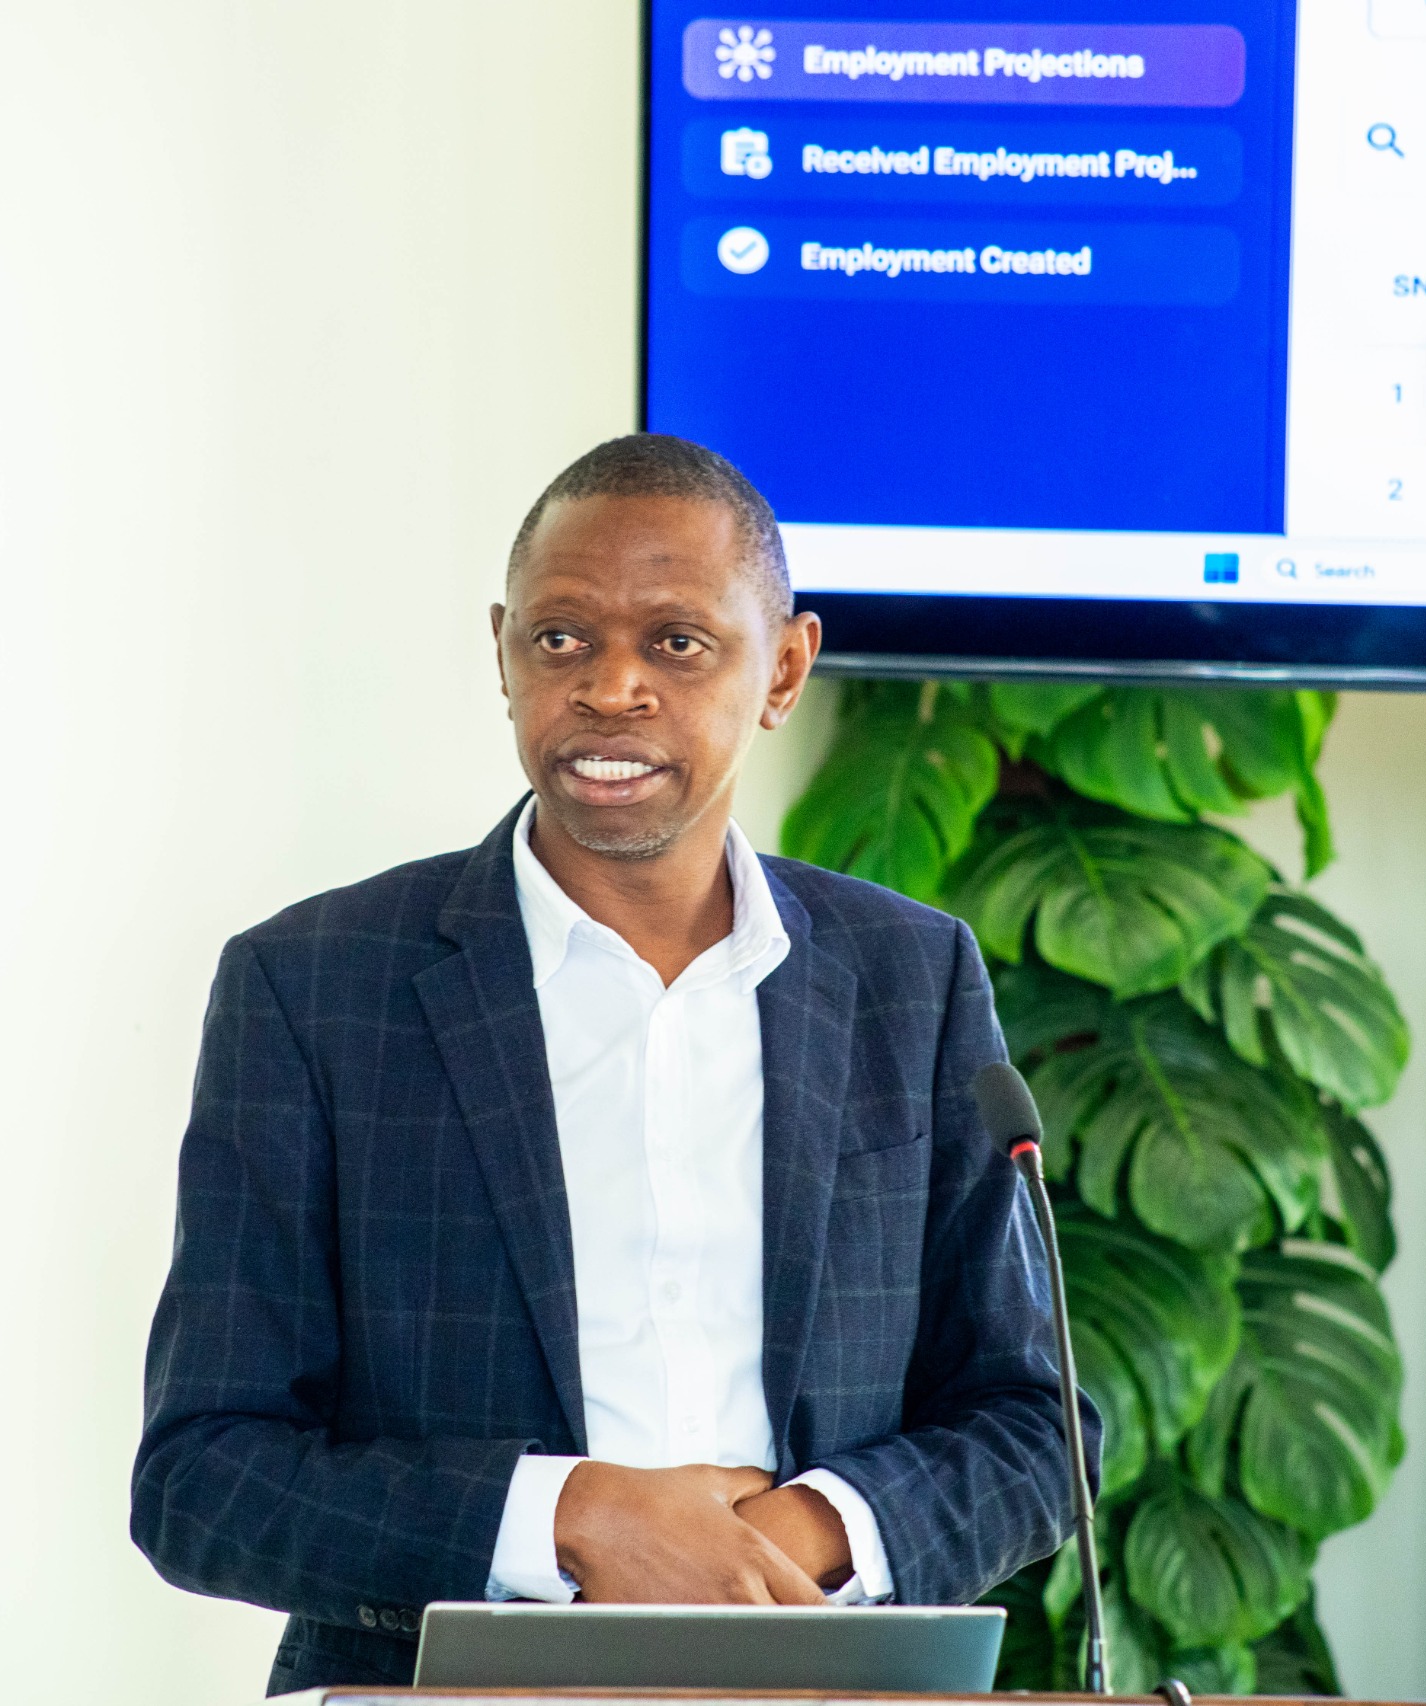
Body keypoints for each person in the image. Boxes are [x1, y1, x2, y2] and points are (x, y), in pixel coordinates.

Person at [130, 433, 1084, 1694]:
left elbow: (1035, 1425)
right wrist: (573, 1518)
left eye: (677, 642)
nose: (610, 686)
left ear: (783, 667)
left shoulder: (911, 976)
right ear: (504, 653)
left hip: (820, 1684)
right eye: (561, 637)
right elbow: (202, 1476)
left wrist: (797, 1534)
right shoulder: (313, 987)